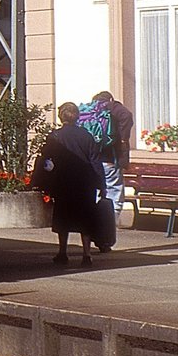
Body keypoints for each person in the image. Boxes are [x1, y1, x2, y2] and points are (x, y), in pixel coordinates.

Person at [39, 102, 107, 267]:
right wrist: (102, 185)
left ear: (60, 117)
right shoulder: (87, 136)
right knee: (86, 220)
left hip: (63, 183)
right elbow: (95, 162)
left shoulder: (55, 136)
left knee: (63, 219)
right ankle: (87, 255)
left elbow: (47, 161)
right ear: (77, 117)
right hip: (85, 184)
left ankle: (62, 253)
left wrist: (45, 182)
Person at [91, 90, 134, 247]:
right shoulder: (115, 109)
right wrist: (123, 138)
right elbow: (127, 116)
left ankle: (93, 232)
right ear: (110, 99)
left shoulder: (91, 111)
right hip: (110, 161)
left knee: (96, 197)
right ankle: (107, 235)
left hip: (94, 163)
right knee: (114, 197)